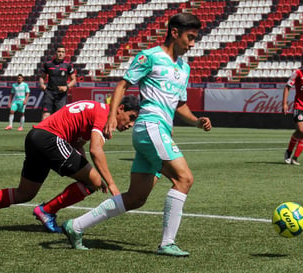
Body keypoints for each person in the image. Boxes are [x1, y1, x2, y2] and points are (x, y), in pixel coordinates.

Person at [61, 13, 212, 257]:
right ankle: (167, 243)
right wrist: (111, 116)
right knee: (184, 179)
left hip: (158, 131)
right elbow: (123, 84)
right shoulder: (150, 56)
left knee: (136, 198)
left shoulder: (184, 68)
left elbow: (179, 104)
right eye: (190, 37)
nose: (192, 44)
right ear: (175, 33)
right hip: (151, 127)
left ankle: (76, 226)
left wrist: (196, 122)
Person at [0, 96, 140, 232]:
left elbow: (77, 144)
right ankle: (47, 211)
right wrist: (111, 183)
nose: (131, 124)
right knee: (94, 180)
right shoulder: (104, 113)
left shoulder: (97, 109)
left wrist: (84, 167)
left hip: (36, 137)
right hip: (50, 139)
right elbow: (96, 150)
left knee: (25, 193)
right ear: (120, 108)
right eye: (131, 117)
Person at [39, 45, 76, 121]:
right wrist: (42, 84)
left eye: (63, 52)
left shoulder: (68, 65)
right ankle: (43, 132)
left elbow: (74, 80)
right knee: (46, 114)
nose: (60, 54)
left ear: (65, 54)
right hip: (49, 93)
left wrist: (66, 87)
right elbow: (42, 77)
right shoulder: (48, 64)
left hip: (61, 95)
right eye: (59, 51)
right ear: (55, 53)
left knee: (59, 116)